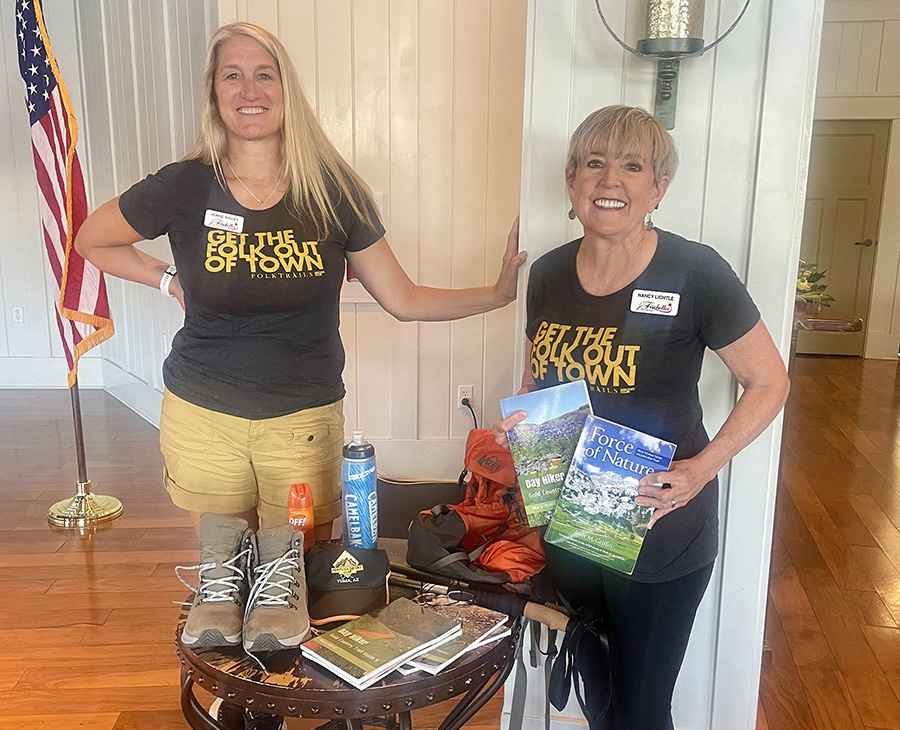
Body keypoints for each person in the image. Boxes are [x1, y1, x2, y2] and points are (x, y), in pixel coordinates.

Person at [75, 22, 525, 541]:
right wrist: (167, 279)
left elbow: (403, 298)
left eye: (265, 75)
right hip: (203, 414)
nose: (250, 91)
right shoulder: (184, 184)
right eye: (233, 76)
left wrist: (496, 295)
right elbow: (92, 239)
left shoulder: (334, 191)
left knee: (301, 577)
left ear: (287, 89)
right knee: (228, 570)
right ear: (214, 93)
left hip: (302, 421)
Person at [493, 105, 789, 730]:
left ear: (658, 189)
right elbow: (539, 376)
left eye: (633, 166)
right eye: (594, 164)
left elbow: (768, 382)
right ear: (572, 181)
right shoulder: (546, 274)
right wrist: (521, 435)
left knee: (640, 710)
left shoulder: (695, 272)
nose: (611, 181)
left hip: (660, 527)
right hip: (574, 519)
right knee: (597, 690)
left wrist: (700, 471)